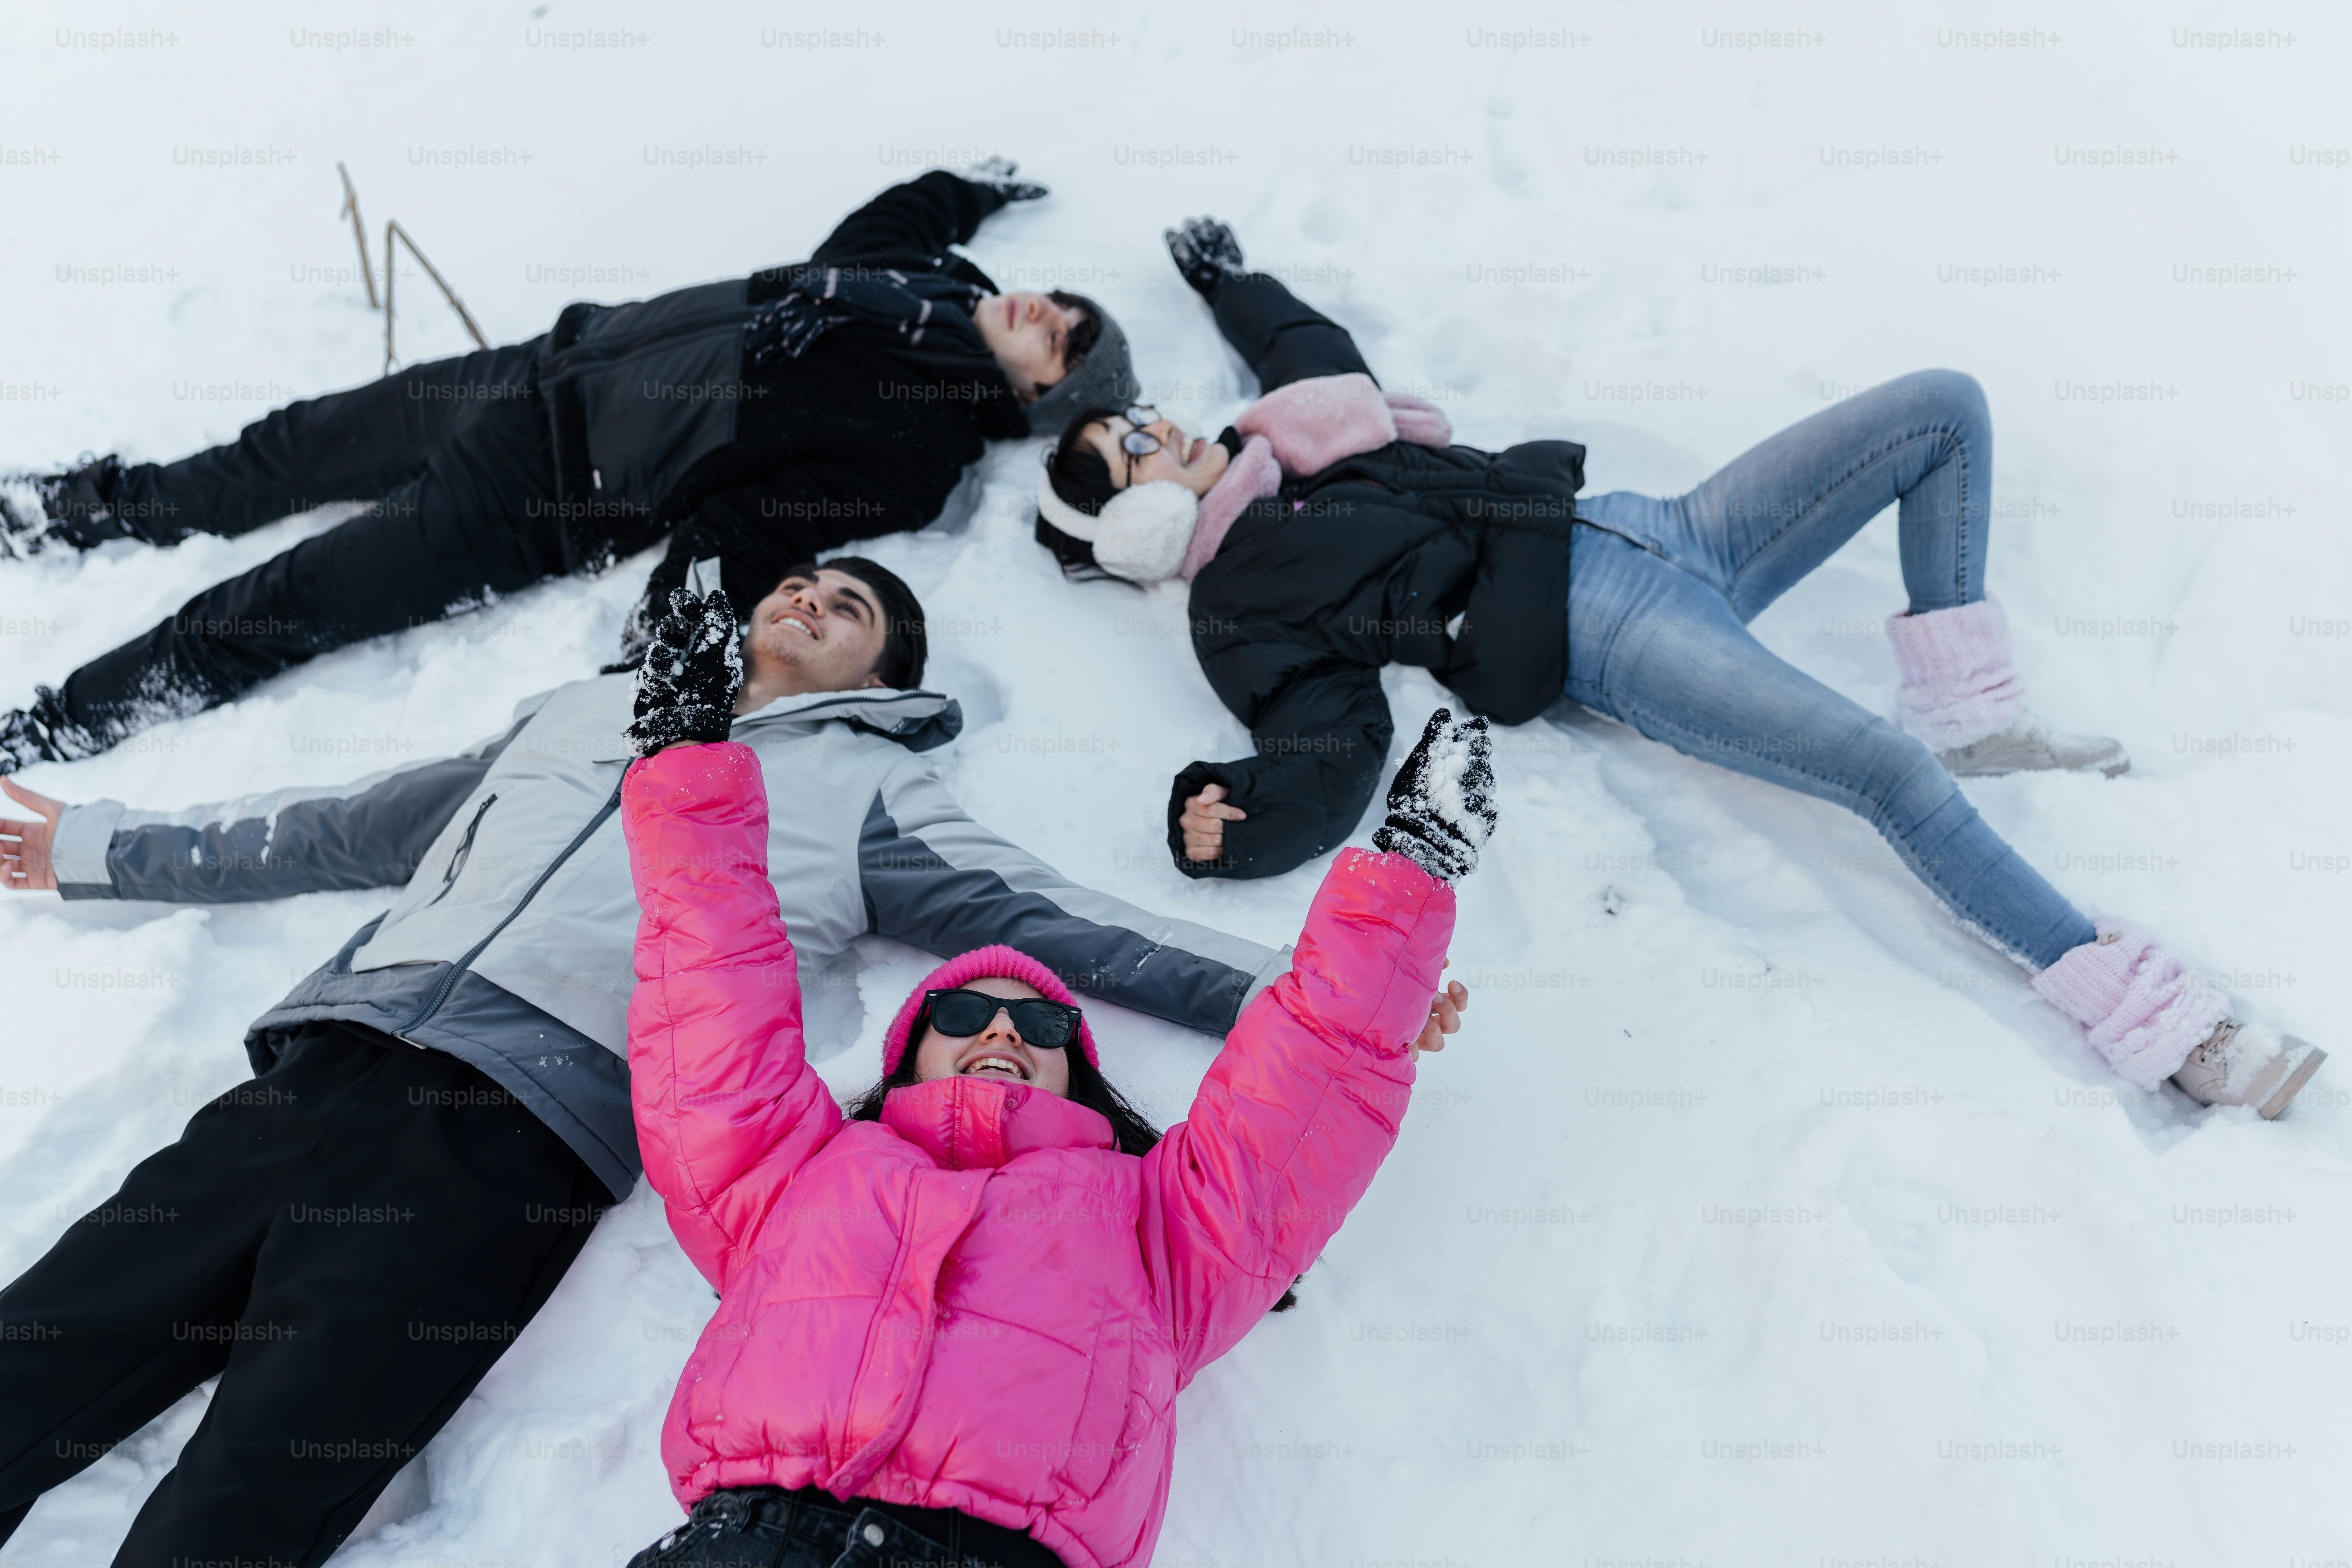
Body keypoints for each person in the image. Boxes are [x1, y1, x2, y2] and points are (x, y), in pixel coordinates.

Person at [0, 561, 1290, 1568]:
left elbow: (1070, 921)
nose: (812, 600)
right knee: (42, 1343)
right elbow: (344, 824)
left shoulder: (865, 793)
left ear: (887, 672)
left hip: (515, 1137)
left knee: (262, 1477)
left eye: (852, 608)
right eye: (802, 583)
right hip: (328, 1060)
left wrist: (1314, 999)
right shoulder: (578, 712)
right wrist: (105, 848)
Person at [1029, 217, 2325, 1121]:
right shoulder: (1241, 606)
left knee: (1941, 406)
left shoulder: (1304, 437)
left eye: (1139, 411)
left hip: (1667, 527)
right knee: (1880, 771)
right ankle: (2170, 1032)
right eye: (1130, 450)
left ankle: (1976, 713)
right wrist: (1236, 819)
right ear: (1134, 532)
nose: (1159, 427)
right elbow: (1326, 736)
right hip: (1617, 632)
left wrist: (1228, 281)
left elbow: (1299, 341)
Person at [611, 588, 1490, 1568]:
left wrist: (1408, 881)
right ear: (906, 1057)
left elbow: (1304, 1101)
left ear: (1078, 1074)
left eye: (1041, 1020)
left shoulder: (1162, 1222)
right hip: (745, 1542)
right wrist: (684, 770)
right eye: (958, 1013)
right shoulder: (789, 1170)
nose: (999, 1026)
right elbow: (710, 995)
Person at [0, 159, 1141, 773]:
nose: (1054, 315)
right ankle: (74, 514)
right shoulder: (907, 281)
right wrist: (974, 189)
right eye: (1065, 307)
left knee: (298, 596)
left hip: (542, 497)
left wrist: (661, 660)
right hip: (538, 369)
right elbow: (897, 207)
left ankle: (62, 721)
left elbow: (749, 529)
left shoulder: (922, 441)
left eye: (1067, 341)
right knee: (280, 451)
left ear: (1041, 396)